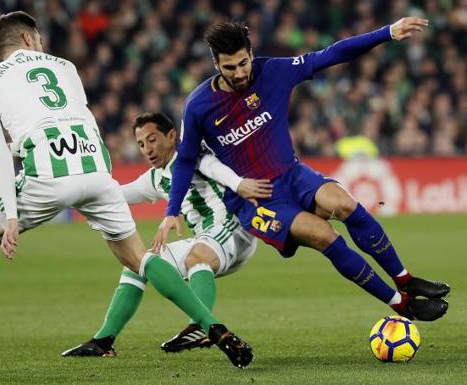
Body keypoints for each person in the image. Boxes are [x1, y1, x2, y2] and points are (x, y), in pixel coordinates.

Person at [0, 11, 253, 372]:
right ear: (30, 39)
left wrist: (10, 215)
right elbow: (66, 122)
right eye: (39, 39)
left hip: (48, 174)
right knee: (142, 260)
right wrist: (16, 149)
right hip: (97, 171)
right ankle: (215, 328)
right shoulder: (65, 67)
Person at [154, 18, 450, 322]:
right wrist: (172, 210)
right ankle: (401, 303)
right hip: (255, 200)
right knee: (324, 235)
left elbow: (332, 54)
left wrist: (387, 32)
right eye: (230, 67)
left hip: (293, 175)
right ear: (216, 63)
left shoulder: (274, 72)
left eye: (243, 63)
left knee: (344, 203)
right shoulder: (199, 105)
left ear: (251, 53)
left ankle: (405, 279)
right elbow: (187, 158)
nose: (240, 73)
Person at [61, 112, 266, 357]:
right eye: (141, 144)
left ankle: (201, 326)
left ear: (171, 136)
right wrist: (76, 193)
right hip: (207, 238)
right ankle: (103, 341)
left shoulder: (193, 156)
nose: (147, 149)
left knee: (197, 256)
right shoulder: (155, 178)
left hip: (233, 230)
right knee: (139, 263)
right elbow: (115, 195)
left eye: (152, 139)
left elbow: (219, 167)